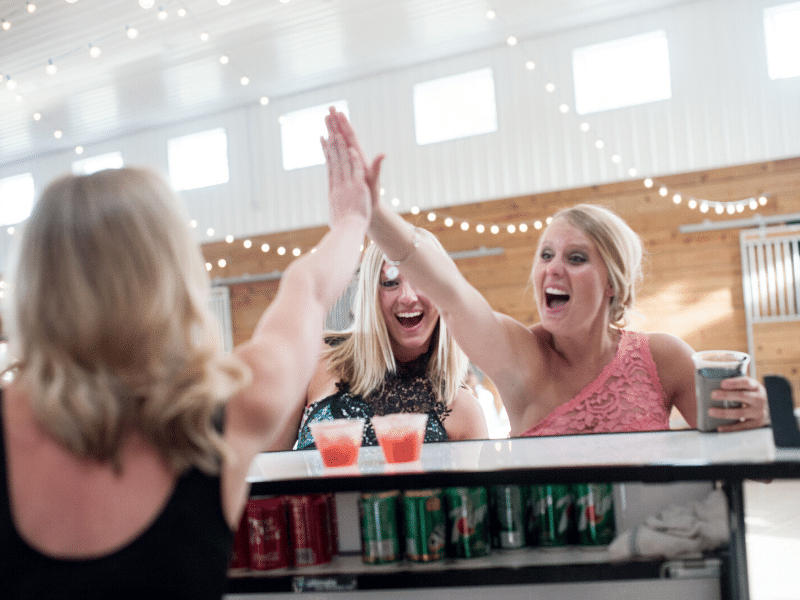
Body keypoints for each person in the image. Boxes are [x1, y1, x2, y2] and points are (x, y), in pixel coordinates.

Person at [0, 121, 370, 598]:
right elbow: (309, 289)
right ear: (172, 271)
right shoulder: (237, 406)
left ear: (35, 283)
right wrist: (353, 220)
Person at [323, 108, 769, 438]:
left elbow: (744, 462)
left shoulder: (664, 358)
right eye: (545, 255)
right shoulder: (523, 355)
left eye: (576, 258)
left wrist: (757, 419)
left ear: (613, 281)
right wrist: (375, 213)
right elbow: (453, 293)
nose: (554, 268)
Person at [268, 219, 488, 452]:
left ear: (443, 289)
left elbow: (477, 490)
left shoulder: (463, 409)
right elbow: (266, 468)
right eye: (390, 283)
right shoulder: (317, 356)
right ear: (370, 295)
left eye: (422, 280)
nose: (408, 297)